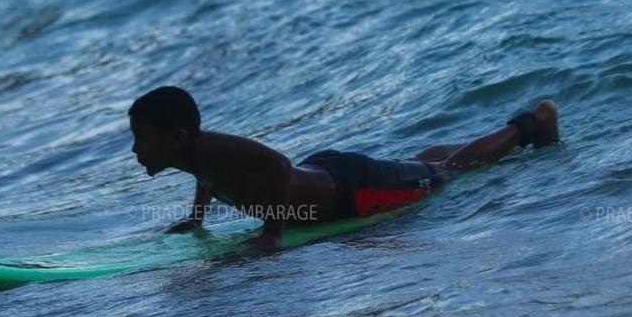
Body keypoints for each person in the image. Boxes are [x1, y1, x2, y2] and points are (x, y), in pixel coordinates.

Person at [128, 86, 561, 248]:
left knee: (451, 169)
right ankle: (512, 132)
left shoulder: (211, 148)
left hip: (351, 193)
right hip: (328, 174)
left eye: (141, 138)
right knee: (424, 163)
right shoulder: (195, 156)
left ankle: (531, 124)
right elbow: (208, 177)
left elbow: (278, 165)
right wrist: (197, 219)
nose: (135, 149)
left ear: (177, 138)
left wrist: (272, 234)